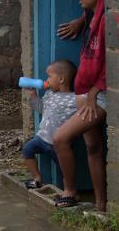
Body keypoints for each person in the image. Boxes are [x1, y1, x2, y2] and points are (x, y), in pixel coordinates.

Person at [52, 0, 107, 210]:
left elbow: (112, 62)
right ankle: (101, 205)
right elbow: (89, 15)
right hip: (84, 93)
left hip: (98, 96)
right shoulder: (92, 17)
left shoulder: (106, 20)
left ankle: (70, 191)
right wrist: (80, 20)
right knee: (92, 147)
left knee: (60, 138)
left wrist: (94, 92)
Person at [21, 60, 78, 190]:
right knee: (27, 150)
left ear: (61, 79)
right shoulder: (50, 94)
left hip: (58, 145)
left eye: (49, 77)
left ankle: (69, 190)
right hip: (41, 138)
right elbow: (40, 108)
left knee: (64, 168)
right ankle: (37, 178)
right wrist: (33, 94)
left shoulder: (75, 99)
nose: (47, 80)